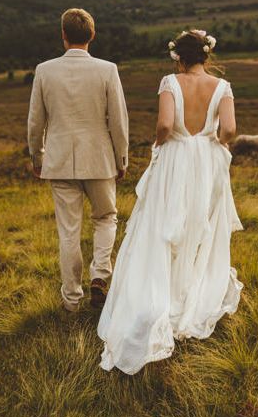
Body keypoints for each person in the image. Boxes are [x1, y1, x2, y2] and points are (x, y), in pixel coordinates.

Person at [97, 29, 243, 375]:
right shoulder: (222, 88)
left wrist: (161, 142)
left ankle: (160, 296)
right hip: (206, 163)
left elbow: (164, 124)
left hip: (176, 158)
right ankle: (188, 294)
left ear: (178, 56)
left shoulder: (169, 82)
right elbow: (230, 130)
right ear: (207, 56)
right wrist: (215, 143)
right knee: (198, 228)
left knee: (162, 227)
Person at [27, 8, 129, 312]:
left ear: (63, 35)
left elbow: (35, 122)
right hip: (99, 157)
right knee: (106, 217)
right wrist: (121, 158)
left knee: (68, 231)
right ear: (92, 35)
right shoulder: (107, 69)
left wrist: (37, 157)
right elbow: (118, 121)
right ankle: (100, 275)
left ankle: (71, 300)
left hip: (58, 161)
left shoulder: (44, 70)